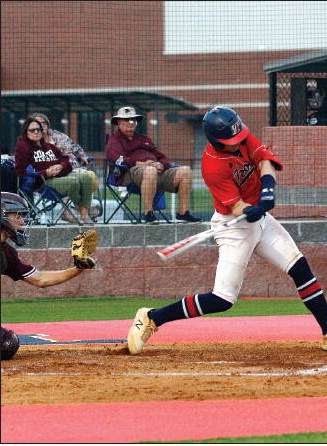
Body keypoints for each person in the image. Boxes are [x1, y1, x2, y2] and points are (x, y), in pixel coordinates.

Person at [126, 106, 327, 355]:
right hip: (234, 228)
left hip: (261, 221)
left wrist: (267, 189)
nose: (237, 144)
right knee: (222, 300)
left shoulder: (242, 137)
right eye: (230, 142)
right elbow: (235, 207)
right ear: (216, 140)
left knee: (300, 268)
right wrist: (249, 209)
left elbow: (264, 160)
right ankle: (152, 317)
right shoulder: (212, 165)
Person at [0, 192, 96, 359]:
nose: (22, 222)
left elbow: (40, 279)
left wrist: (78, 268)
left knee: (7, 343)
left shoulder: (7, 252)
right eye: (17, 216)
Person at [105, 106, 201, 224]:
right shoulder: (114, 140)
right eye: (126, 120)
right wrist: (139, 163)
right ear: (118, 122)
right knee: (150, 171)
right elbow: (115, 158)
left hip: (156, 171)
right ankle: (148, 213)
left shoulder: (144, 139)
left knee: (185, 171)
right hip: (131, 172)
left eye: (133, 120)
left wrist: (161, 164)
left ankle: (183, 212)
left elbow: (162, 157)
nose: (130, 123)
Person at [13, 118, 94, 224]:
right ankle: (82, 209)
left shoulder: (49, 146)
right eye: (32, 130)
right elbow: (21, 170)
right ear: (26, 132)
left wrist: (60, 166)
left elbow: (65, 159)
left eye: (38, 129)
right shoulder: (23, 148)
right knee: (73, 182)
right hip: (42, 182)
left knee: (86, 177)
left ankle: (83, 212)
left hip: (59, 177)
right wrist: (45, 173)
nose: (36, 132)